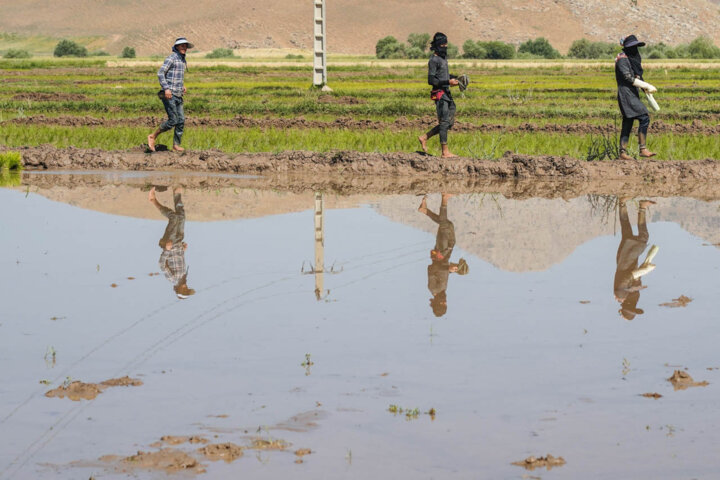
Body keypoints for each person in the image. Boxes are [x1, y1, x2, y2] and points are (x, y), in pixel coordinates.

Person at [418, 193, 469, 317]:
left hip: (440, 253)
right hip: (446, 256)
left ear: (436, 303)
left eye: (442, 304)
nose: (445, 301)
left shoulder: (433, 289)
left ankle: (444, 198)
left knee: (445, 226)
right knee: (448, 225)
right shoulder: (441, 290)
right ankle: (425, 211)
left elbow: (431, 269)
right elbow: (442, 273)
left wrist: (447, 269)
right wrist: (453, 270)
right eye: (446, 304)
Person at [148, 37, 194, 152]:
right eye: (182, 46)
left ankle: (176, 144)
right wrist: (166, 89)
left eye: (186, 46)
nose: (185, 48)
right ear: (177, 47)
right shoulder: (172, 58)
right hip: (169, 95)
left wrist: (182, 86)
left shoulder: (182, 60)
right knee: (173, 120)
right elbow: (160, 73)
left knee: (181, 120)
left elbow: (176, 75)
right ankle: (153, 136)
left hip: (178, 94)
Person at [615, 35, 657, 160]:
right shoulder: (622, 60)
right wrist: (646, 85)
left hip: (631, 93)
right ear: (627, 48)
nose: (635, 50)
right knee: (644, 117)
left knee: (628, 122)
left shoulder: (631, 60)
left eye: (636, 47)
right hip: (626, 94)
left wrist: (646, 88)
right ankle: (642, 149)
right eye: (632, 47)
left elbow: (636, 77)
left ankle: (622, 153)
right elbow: (628, 78)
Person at [418, 32, 460, 158]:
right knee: (444, 122)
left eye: (446, 44)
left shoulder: (443, 59)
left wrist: (456, 79)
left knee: (449, 122)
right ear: (437, 45)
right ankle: (445, 152)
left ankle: (425, 137)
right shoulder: (433, 60)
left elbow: (445, 75)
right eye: (443, 44)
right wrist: (447, 82)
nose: (445, 46)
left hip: (447, 93)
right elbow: (431, 81)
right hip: (440, 94)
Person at [149, 186, 195, 299]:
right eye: (187, 289)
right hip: (178, 242)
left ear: (178, 289)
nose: (185, 287)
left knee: (173, 217)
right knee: (181, 216)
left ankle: (153, 200)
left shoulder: (173, 279)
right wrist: (183, 250)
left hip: (170, 242)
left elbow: (162, 265)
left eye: (184, 290)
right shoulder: (184, 275)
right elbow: (178, 258)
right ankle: (177, 194)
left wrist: (166, 250)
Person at [614, 198, 655, 320]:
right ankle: (622, 203)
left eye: (632, 307)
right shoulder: (630, 295)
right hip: (628, 260)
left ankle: (641, 207)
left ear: (627, 305)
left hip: (626, 260)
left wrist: (642, 271)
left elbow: (627, 277)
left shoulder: (621, 294)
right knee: (627, 231)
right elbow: (635, 281)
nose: (634, 304)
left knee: (643, 238)